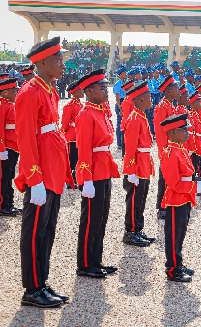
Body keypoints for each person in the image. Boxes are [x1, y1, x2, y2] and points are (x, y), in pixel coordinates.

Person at [17, 37, 73, 308]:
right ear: (40, 63)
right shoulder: (29, 93)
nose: (62, 64)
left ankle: (41, 281)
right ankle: (32, 288)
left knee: (47, 229)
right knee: (34, 230)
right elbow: (26, 139)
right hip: (40, 173)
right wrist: (34, 179)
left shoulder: (49, 88)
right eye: (57, 60)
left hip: (53, 169)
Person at [74, 69, 120, 279]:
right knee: (91, 219)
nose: (106, 90)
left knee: (101, 218)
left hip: (103, 168)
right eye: (102, 87)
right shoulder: (85, 114)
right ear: (89, 90)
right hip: (92, 171)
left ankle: (96, 259)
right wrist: (86, 179)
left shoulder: (100, 111)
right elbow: (83, 149)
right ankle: (84, 263)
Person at [159, 113, 201, 282]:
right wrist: (195, 187)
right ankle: (172, 269)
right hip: (176, 198)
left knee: (180, 232)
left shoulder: (180, 149)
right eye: (183, 130)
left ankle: (178, 263)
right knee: (174, 234)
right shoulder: (170, 153)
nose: (187, 133)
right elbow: (174, 183)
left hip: (184, 197)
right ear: (172, 133)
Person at [122, 81, 155, 247]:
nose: (152, 100)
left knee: (141, 198)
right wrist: (130, 170)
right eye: (149, 96)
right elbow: (130, 148)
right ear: (141, 99)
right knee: (134, 198)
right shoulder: (135, 118)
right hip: (137, 165)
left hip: (143, 162)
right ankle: (130, 231)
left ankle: (138, 229)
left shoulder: (141, 116)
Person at [153, 75, 180, 220]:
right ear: (169, 91)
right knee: (164, 178)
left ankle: (168, 203)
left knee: (170, 177)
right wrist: (166, 150)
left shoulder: (171, 105)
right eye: (176, 88)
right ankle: (162, 207)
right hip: (167, 149)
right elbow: (160, 131)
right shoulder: (162, 107)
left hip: (173, 147)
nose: (179, 90)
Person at [0, 78, 20, 216]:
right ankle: (3, 205)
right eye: (14, 91)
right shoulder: (2, 106)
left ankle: (9, 203)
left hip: (13, 147)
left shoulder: (11, 105)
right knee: (4, 177)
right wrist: (1, 149)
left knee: (9, 176)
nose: (17, 93)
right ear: (6, 92)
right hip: (6, 148)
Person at [61, 82, 84, 184]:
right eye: (80, 90)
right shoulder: (70, 105)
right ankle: (69, 179)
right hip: (73, 135)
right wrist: (64, 132)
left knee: (79, 157)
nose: (82, 91)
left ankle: (76, 176)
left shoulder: (80, 104)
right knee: (71, 158)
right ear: (74, 92)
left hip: (79, 134)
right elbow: (65, 122)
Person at [113, 65, 128, 149]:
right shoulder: (118, 84)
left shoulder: (124, 83)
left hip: (124, 102)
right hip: (120, 103)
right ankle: (119, 143)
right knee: (119, 124)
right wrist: (120, 107)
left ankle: (124, 141)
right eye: (124, 73)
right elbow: (117, 97)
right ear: (121, 74)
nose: (126, 74)